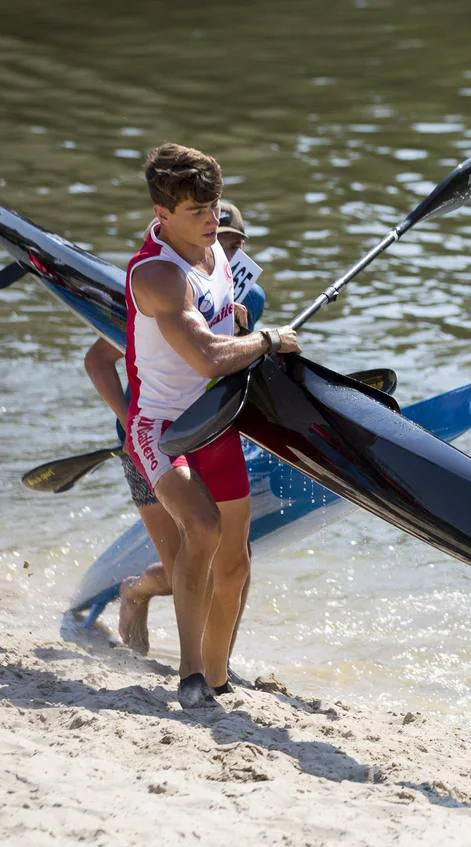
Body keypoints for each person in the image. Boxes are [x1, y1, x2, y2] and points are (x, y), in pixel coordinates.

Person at [124, 142, 299, 709]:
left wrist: (238, 319)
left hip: (215, 421)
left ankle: (220, 677)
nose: (210, 221)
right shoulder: (157, 276)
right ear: (161, 216)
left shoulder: (213, 252)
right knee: (200, 528)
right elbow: (204, 357)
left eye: (215, 207)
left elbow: (217, 320)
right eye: (196, 212)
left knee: (237, 559)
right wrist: (267, 340)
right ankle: (191, 674)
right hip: (161, 427)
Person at [82, 199, 268, 658]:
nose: (217, 247)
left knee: (234, 565)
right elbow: (98, 361)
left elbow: (232, 370)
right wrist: (129, 428)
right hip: (152, 436)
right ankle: (137, 591)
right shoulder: (163, 285)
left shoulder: (248, 298)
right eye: (213, 237)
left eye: (231, 242)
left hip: (212, 431)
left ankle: (216, 666)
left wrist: (244, 331)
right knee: (183, 563)